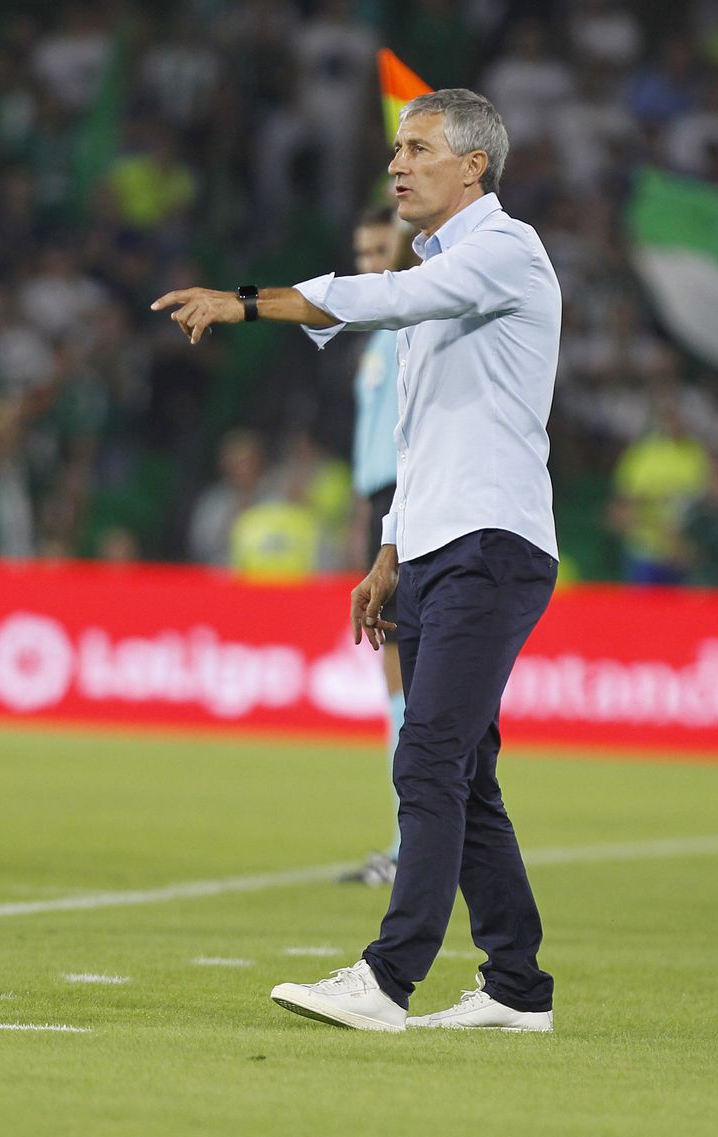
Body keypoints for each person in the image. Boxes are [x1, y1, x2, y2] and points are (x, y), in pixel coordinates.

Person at [152, 89, 560, 1032]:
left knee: (425, 753)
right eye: (393, 149)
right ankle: (516, 986)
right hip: (433, 546)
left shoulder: (506, 250)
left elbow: (386, 299)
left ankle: (388, 978)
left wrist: (245, 301)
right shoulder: (440, 267)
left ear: (474, 167)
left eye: (416, 149)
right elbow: (418, 437)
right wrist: (388, 551)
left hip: (492, 543)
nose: (396, 165)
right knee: (466, 771)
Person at [338, 203, 415, 888]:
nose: (369, 265)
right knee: (397, 678)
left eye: (380, 252)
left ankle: (406, 843)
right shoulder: (376, 334)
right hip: (377, 503)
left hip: (401, 501)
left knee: (404, 678)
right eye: (361, 254)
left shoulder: (408, 324)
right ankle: (406, 839)